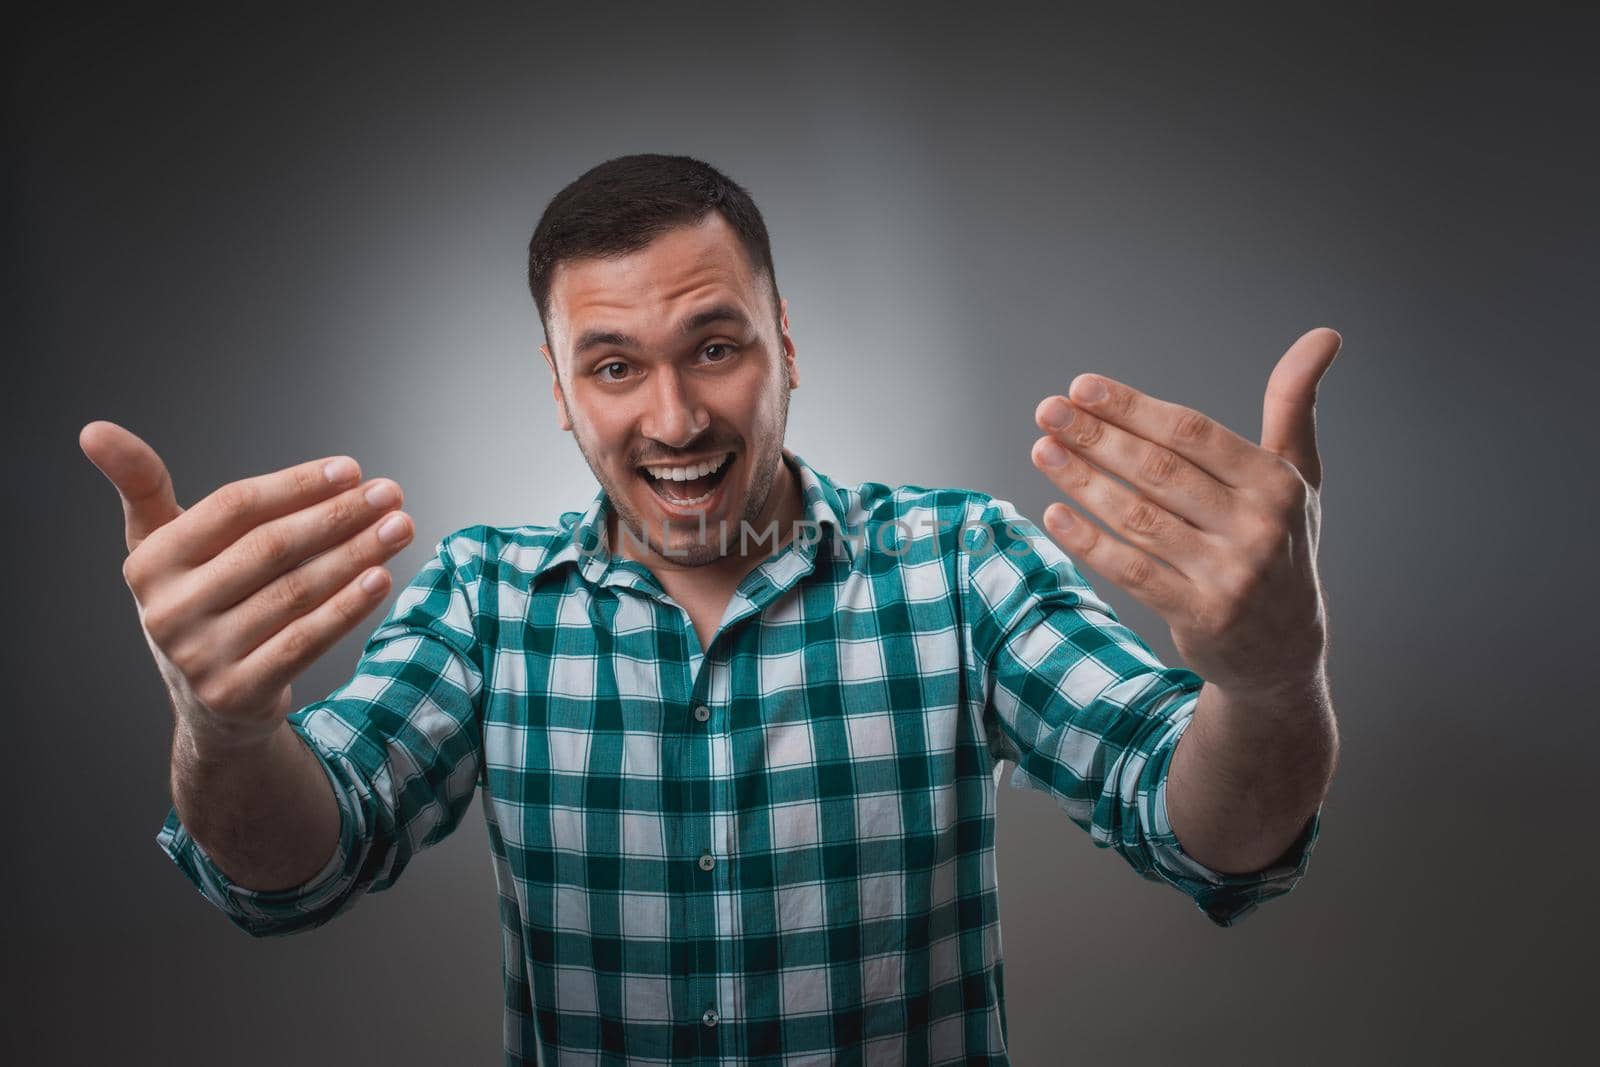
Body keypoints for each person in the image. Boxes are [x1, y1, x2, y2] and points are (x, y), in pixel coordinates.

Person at [81, 153, 1340, 1065]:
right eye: (615, 365)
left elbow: (1206, 828)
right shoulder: (485, 597)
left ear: (786, 343)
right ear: (560, 390)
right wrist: (228, 732)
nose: (673, 419)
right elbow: (300, 865)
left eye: (715, 346)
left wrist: (1269, 683)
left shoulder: (961, 565)